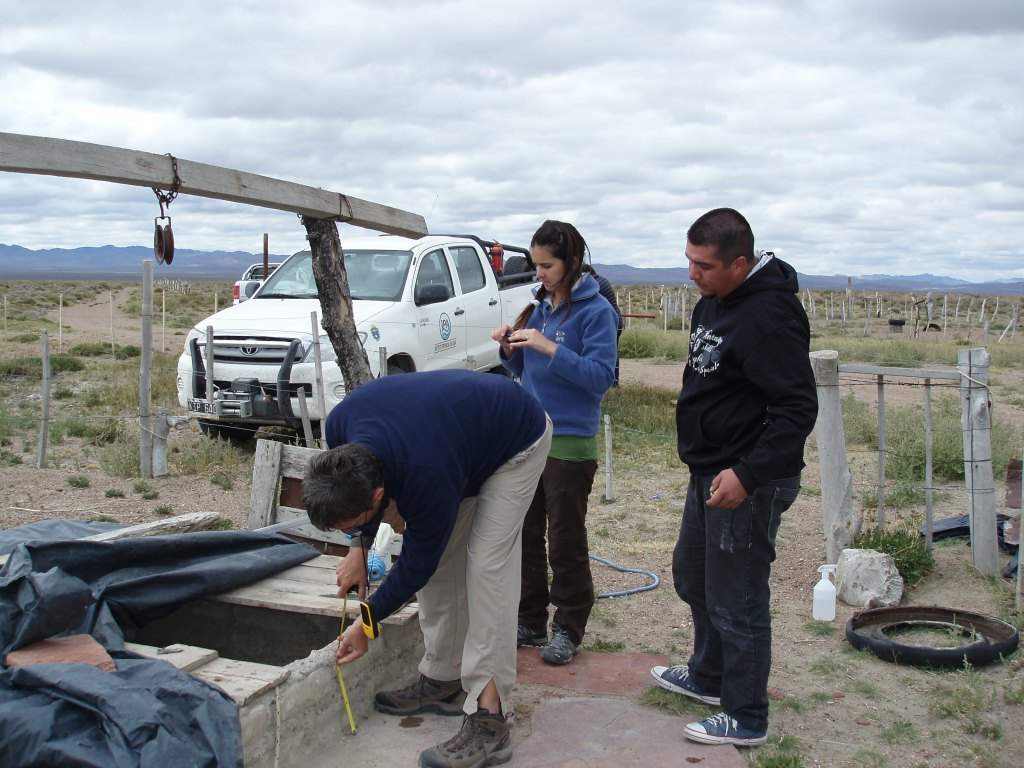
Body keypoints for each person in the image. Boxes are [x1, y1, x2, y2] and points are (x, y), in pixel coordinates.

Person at [303, 369, 552, 768]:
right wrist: (356, 547)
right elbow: (363, 509)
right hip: (458, 442)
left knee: (487, 570)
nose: (349, 531)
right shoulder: (340, 428)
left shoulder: (425, 476)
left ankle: (490, 719)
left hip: (514, 440)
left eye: (349, 524)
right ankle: (444, 677)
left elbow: (416, 566)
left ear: (380, 495)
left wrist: (366, 624)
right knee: (445, 568)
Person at [649, 208, 817, 746]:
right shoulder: (714, 301)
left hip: (748, 479)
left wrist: (746, 474)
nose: (691, 275)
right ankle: (709, 675)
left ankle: (746, 717)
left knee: (737, 596)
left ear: (739, 263)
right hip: (710, 470)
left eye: (703, 265)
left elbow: (796, 409)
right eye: (688, 262)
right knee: (693, 576)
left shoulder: (770, 316)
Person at [491, 220, 618, 666]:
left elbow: (602, 377)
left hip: (570, 442)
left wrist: (550, 348)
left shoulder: (596, 311)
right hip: (528, 438)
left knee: (565, 538)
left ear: (572, 262)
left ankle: (569, 626)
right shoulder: (539, 307)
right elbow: (523, 372)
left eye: (547, 265)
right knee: (524, 533)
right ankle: (530, 619)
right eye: (535, 264)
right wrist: (510, 349)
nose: (539, 273)